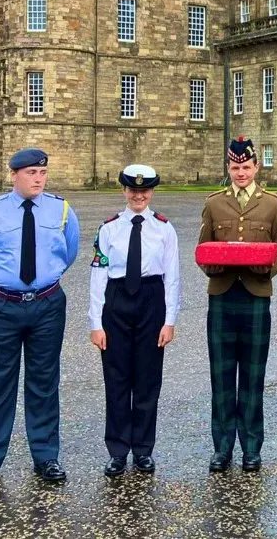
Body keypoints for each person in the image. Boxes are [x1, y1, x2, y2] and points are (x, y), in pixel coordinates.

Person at [0, 148, 80, 492]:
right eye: (31, 173)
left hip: (47, 304)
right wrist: (5, 281)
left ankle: (46, 457)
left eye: (42, 173)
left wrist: (43, 278)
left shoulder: (61, 210)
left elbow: (69, 251)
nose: (38, 179)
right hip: (2, 306)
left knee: (44, 382)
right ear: (14, 174)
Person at [198, 136, 277, 473]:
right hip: (222, 295)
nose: (241, 173)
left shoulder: (272, 204)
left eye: (246, 167)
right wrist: (215, 263)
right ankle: (222, 448)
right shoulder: (213, 204)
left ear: (256, 167)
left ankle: (252, 448)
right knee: (221, 377)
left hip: (255, 296)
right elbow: (203, 248)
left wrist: (264, 266)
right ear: (229, 168)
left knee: (253, 377)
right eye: (235, 168)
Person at [89, 164, 181, 477]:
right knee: (116, 381)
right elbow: (98, 275)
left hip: (151, 300)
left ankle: (143, 449)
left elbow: (172, 277)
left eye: (144, 190)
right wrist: (96, 322)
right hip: (116, 302)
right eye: (132, 189)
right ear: (124, 191)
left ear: (151, 192)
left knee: (147, 380)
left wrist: (169, 320)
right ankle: (117, 450)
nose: (138, 195)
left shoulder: (164, 228)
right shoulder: (109, 228)